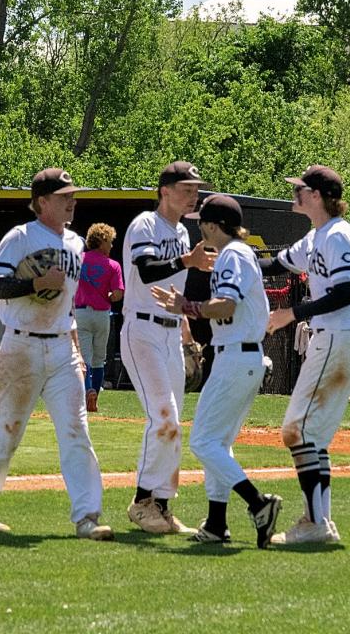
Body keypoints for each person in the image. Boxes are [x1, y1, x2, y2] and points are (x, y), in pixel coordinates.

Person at [0, 167, 113, 542]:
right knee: (8, 432)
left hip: (62, 344)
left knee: (77, 429)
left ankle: (87, 517)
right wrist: (35, 283)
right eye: (64, 197)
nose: (71, 202)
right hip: (22, 344)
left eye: (72, 196)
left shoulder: (77, 243)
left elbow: (67, 305)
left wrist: (75, 348)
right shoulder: (20, 236)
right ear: (42, 202)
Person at [152, 195, 282, 547]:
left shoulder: (233, 254)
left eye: (201, 222)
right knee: (219, 444)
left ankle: (258, 503)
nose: (198, 227)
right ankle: (216, 523)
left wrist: (186, 306)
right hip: (240, 357)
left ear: (211, 225)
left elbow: (226, 303)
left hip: (236, 357)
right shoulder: (236, 254)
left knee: (204, 442)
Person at [261, 164, 350, 545]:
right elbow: (276, 263)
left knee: (298, 429)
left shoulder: (338, 236)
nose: (295, 194)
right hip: (335, 338)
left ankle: (315, 522)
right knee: (310, 436)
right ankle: (319, 520)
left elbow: (345, 292)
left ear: (318, 196)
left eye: (301, 189)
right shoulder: (317, 235)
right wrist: (230, 261)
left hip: (338, 336)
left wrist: (291, 313)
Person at [120, 160, 216, 535]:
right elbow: (145, 269)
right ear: (165, 190)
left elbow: (176, 283)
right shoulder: (146, 223)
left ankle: (161, 505)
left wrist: (187, 328)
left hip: (171, 331)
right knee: (164, 418)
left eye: (196, 189)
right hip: (141, 331)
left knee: (173, 423)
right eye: (187, 188)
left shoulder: (181, 231)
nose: (194, 194)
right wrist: (186, 260)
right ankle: (142, 502)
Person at [75, 223, 124, 413]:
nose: (111, 246)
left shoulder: (78, 259)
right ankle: (95, 397)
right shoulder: (113, 265)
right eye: (110, 242)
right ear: (103, 241)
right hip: (102, 314)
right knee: (99, 358)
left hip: (80, 313)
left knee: (84, 357)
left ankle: (88, 391)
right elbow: (118, 294)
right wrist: (109, 295)